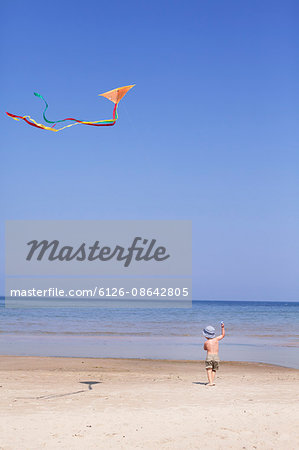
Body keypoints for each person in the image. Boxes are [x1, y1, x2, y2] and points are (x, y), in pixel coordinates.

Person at [202, 322, 225, 386]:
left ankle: (210, 382)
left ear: (206, 335)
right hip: (216, 356)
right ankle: (212, 381)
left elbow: (205, 349)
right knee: (214, 369)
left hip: (209, 356)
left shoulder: (206, 342)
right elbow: (223, 335)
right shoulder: (216, 339)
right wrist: (222, 327)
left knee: (209, 369)